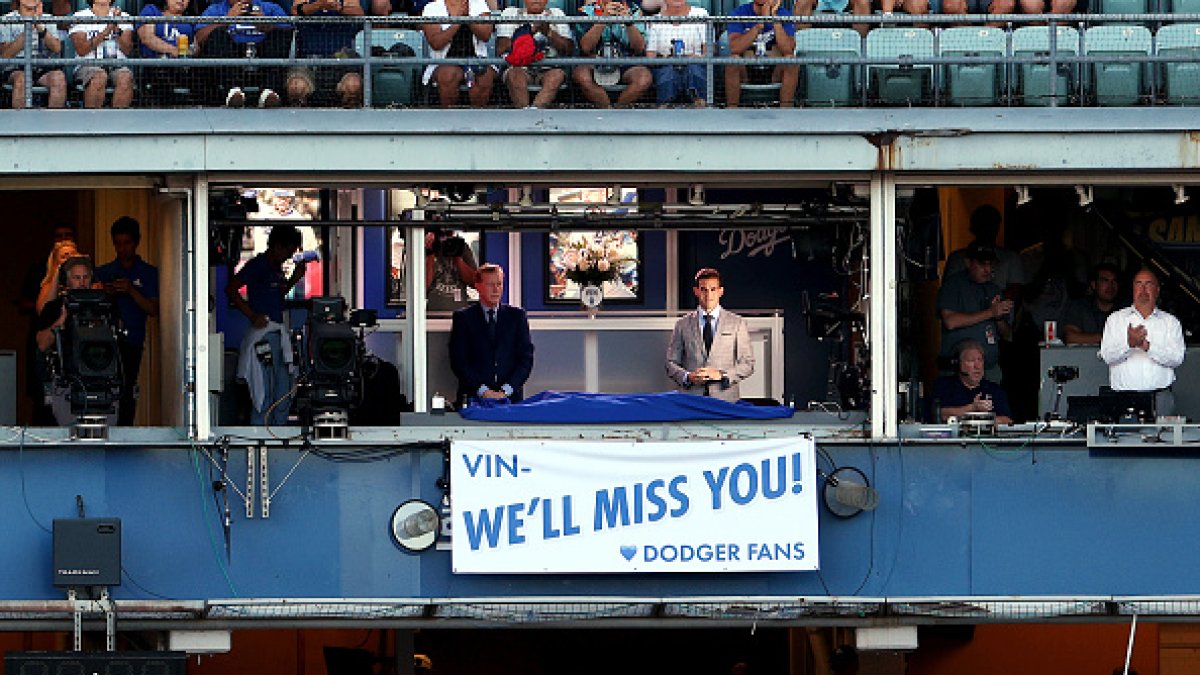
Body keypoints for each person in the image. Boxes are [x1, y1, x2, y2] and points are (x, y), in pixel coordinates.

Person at [225, 225, 306, 426]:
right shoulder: (258, 265)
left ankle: (278, 436)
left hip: (279, 335)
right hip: (264, 336)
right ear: (278, 246)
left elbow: (276, 296)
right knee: (264, 391)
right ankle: (260, 436)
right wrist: (252, 315)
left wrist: (294, 279)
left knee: (282, 389)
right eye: (288, 251)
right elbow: (232, 289)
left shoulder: (276, 269)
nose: (288, 256)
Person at [35, 256, 116, 426]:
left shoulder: (106, 306)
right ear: (67, 281)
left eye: (86, 277)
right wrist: (62, 318)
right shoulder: (53, 308)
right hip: (67, 383)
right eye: (76, 278)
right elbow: (42, 344)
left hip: (101, 380)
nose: (82, 282)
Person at [94, 217, 159, 426]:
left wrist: (130, 290)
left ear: (137, 242)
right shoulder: (103, 272)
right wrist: (104, 291)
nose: (122, 249)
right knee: (101, 387)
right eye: (117, 243)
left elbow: (153, 309)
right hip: (103, 342)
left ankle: (125, 435)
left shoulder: (148, 273)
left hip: (132, 341)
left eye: (127, 243)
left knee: (127, 388)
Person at [1099, 268, 1185, 416]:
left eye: (1148, 284)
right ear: (1133, 289)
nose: (1143, 289)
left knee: (1164, 438)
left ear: (1157, 290)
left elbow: (1177, 359)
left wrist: (1147, 347)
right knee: (1123, 439)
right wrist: (1129, 344)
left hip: (1160, 399)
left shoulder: (1170, 322)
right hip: (1123, 399)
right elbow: (1107, 356)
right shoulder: (1116, 319)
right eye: (1139, 284)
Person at [449, 263, 534, 405]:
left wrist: (505, 391)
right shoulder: (463, 318)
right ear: (478, 286)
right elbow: (459, 361)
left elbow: (525, 360)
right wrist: (484, 391)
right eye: (490, 285)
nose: (496, 290)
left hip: (510, 399)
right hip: (473, 399)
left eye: (499, 284)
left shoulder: (517, 316)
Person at [665, 268, 755, 402]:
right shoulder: (682, 325)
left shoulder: (737, 323)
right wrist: (688, 377)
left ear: (721, 291)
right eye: (703, 289)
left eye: (713, 289)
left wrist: (721, 375)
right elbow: (670, 363)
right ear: (696, 291)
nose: (708, 294)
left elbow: (748, 364)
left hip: (725, 399)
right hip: (691, 399)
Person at [17, 225, 76, 425]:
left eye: (72, 256)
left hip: (76, 350)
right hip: (50, 348)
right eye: (63, 256)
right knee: (45, 404)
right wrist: (58, 272)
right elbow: (43, 309)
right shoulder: (47, 284)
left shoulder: (86, 282)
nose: (68, 259)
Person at [937, 242, 1011, 383]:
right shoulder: (953, 285)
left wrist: (999, 317)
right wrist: (990, 312)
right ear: (968, 263)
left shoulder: (993, 289)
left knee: (991, 404)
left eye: (990, 264)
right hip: (957, 371)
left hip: (989, 369)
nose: (987, 269)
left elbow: (1007, 334)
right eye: (982, 264)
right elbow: (950, 321)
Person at [196, 0, 293, 107]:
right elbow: (200, 38)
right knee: (218, 35)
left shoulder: (270, 8)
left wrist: (266, 25)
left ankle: (269, 92)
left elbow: (288, 33)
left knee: (279, 34)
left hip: (262, 57)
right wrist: (226, 21)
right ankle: (233, 92)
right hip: (231, 60)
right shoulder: (215, 9)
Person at [571, 0, 652, 109]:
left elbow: (639, 48)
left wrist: (629, 22)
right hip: (594, 60)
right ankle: (606, 109)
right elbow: (586, 47)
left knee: (643, 78)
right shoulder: (585, 11)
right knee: (581, 75)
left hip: (625, 61)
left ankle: (618, 109)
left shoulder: (634, 10)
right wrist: (604, 18)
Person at [495, 0, 573, 109]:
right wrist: (529, 30)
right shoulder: (511, 13)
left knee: (556, 76)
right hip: (519, 66)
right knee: (515, 76)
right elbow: (501, 47)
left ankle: (534, 112)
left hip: (550, 67)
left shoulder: (556, 13)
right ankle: (524, 112)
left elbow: (569, 49)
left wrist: (549, 33)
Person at [287, 0, 364, 107]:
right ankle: (299, 119)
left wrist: (338, 8)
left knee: (353, 85)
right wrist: (320, 5)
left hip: (342, 57)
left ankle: (350, 119)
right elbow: (295, 10)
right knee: (296, 87)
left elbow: (358, 12)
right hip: (308, 59)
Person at [723, 0, 797, 109]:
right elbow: (735, 48)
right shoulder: (739, 13)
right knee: (733, 60)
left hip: (774, 69)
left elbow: (788, 49)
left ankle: (786, 111)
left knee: (791, 61)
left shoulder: (784, 14)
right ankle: (732, 110)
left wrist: (774, 18)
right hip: (747, 68)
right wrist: (760, 24)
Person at [421, 0, 495, 108]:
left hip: (476, 59)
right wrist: (457, 21)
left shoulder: (479, 4)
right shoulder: (432, 7)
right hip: (443, 61)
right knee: (448, 75)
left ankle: (477, 118)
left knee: (484, 75)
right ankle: (450, 119)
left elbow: (486, 35)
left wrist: (467, 18)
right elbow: (436, 43)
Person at [942, 205, 1023, 295]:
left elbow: (1015, 293)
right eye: (983, 225)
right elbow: (948, 293)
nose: (987, 230)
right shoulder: (956, 259)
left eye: (991, 225)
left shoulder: (1011, 258)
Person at [69, 0, 136, 109]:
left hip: (117, 65)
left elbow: (127, 49)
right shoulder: (80, 16)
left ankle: (118, 122)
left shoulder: (123, 16)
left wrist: (116, 29)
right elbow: (82, 50)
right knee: (99, 76)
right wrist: (106, 31)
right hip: (88, 64)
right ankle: (92, 121)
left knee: (125, 77)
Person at [1, 0, 67, 109]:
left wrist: (41, 28)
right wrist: (29, 28)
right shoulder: (6, 19)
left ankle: (55, 123)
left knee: (58, 78)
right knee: (22, 79)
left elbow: (56, 48)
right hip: (16, 66)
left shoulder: (47, 18)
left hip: (43, 65)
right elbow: (6, 54)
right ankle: (20, 123)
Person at [931, 339, 1013, 424]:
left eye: (980, 360)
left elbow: (1007, 420)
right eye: (971, 361)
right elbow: (940, 414)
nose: (977, 366)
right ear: (958, 364)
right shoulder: (944, 386)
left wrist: (980, 420)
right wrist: (972, 408)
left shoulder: (994, 390)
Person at [644, 0, 708, 108]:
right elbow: (650, 55)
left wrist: (696, 57)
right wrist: (667, 58)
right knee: (668, 71)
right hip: (666, 64)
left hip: (695, 62)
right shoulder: (655, 20)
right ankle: (665, 105)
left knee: (693, 68)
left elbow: (709, 49)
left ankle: (699, 103)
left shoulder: (701, 14)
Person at [136, 0, 198, 105]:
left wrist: (192, 50)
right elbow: (147, 38)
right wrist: (174, 50)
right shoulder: (152, 10)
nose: (182, 0)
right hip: (156, 63)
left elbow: (196, 45)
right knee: (162, 74)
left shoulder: (190, 18)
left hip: (183, 66)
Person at [1062, 263, 1120, 346]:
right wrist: (1109, 338)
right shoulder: (1080, 307)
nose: (1111, 286)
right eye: (1105, 281)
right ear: (1094, 285)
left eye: (1114, 281)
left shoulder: (1127, 308)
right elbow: (1070, 337)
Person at [425, 228, 478, 312]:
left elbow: (474, 282)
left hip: (460, 311)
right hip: (434, 312)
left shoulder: (463, 248)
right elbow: (423, 286)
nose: (446, 241)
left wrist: (458, 258)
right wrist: (430, 252)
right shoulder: (426, 250)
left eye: (449, 235)